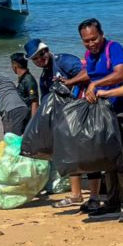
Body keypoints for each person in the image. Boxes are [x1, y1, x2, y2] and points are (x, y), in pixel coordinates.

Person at [63, 18, 123, 217]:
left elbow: (121, 74)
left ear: (102, 34)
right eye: (86, 41)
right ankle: (112, 202)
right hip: (102, 112)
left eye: (94, 39)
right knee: (107, 159)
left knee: (121, 159)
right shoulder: (89, 54)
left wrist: (95, 85)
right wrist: (70, 82)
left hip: (121, 111)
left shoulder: (114, 48)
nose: (91, 43)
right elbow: (89, 72)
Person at [24, 38, 84, 206]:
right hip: (64, 119)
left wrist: (70, 83)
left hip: (80, 111)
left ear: (47, 50)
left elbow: (87, 73)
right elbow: (45, 103)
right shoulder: (44, 77)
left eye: (41, 54)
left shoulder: (63, 61)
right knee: (70, 154)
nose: (39, 59)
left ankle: (81, 193)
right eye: (34, 58)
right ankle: (76, 194)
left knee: (79, 152)